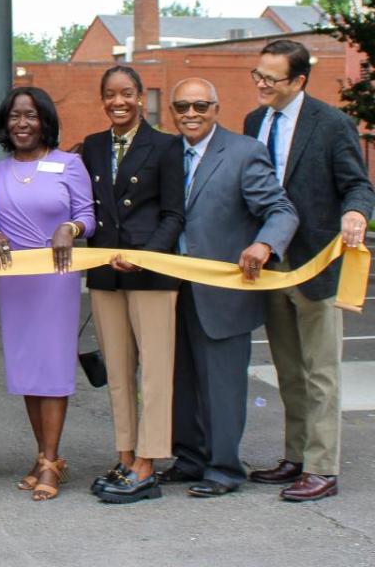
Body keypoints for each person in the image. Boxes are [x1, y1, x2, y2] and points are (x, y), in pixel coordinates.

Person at [243, 40, 375, 501]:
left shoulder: (333, 124)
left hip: (315, 266)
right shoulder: (254, 122)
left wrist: (356, 214)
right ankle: (295, 457)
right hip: (272, 267)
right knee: (289, 371)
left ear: (298, 81)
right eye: (257, 75)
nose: (260, 84)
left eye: (270, 78)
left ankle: (323, 468)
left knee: (321, 372)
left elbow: (358, 186)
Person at [156, 78, 298, 498]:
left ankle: (223, 468)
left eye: (201, 105)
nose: (191, 114)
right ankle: (190, 458)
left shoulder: (243, 152)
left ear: (216, 108)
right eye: (182, 106)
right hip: (171, 287)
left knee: (221, 385)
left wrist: (263, 243)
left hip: (223, 290)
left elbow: (280, 209)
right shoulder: (167, 153)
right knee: (180, 380)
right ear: (172, 112)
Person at [80, 66, 184, 503]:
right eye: (109, 94)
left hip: (152, 272)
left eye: (126, 93)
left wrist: (143, 256)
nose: (117, 101)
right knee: (119, 372)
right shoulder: (93, 146)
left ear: (141, 97)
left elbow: (174, 214)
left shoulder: (166, 146)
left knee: (155, 373)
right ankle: (125, 455)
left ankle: (148, 463)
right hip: (105, 272)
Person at [0, 87, 94, 502]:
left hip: (56, 278)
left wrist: (72, 228)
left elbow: (88, 216)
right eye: (14, 116)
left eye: (30, 115)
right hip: (14, 281)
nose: (22, 124)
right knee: (28, 370)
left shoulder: (69, 164)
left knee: (52, 369)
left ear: (44, 119)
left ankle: (51, 460)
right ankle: (44, 454)